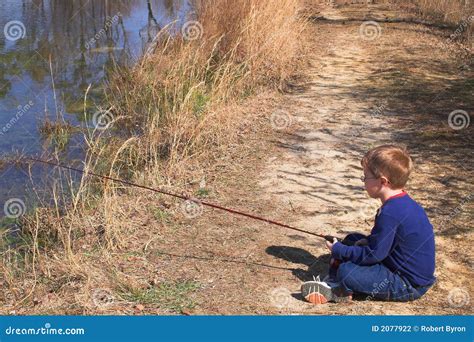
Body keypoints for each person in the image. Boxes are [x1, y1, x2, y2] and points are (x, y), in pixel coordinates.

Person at [301, 145, 436, 304]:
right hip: (397, 266)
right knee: (353, 238)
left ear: (382, 181)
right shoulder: (401, 203)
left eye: (366, 177)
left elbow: (373, 255)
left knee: (346, 271)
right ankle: (341, 281)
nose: (363, 181)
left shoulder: (390, 213)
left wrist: (339, 250)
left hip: (407, 284)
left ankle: (338, 287)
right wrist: (365, 243)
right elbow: (385, 243)